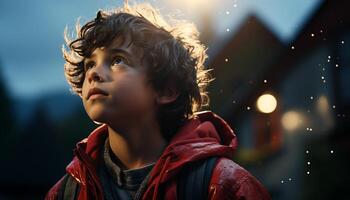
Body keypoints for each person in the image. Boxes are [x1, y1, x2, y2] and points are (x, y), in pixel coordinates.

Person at [45, 2, 270, 200]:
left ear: (166, 89)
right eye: (90, 64)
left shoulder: (225, 186)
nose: (93, 74)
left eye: (117, 60)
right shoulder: (67, 192)